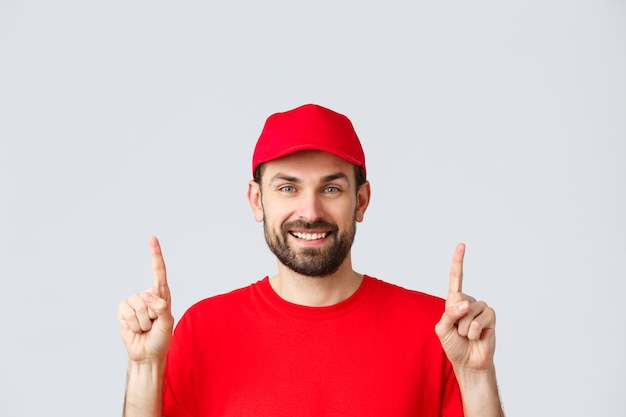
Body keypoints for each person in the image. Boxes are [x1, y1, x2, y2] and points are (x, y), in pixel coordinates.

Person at [118, 103, 504, 417]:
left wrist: (475, 377)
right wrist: (144, 367)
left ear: (361, 201)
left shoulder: (436, 331)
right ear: (257, 200)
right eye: (288, 188)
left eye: (331, 188)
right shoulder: (202, 330)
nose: (310, 210)